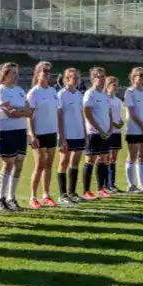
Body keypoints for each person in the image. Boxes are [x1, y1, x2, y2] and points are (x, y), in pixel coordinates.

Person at [0, 62, 33, 211]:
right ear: (5, 74)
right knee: (8, 164)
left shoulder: (20, 90)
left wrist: (18, 110)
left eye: (17, 72)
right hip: (6, 131)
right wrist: (20, 111)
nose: (16, 75)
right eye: (13, 73)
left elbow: (30, 111)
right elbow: (9, 113)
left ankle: (11, 197)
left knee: (19, 164)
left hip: (21, 131)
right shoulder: (0, 91)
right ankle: (0, 198)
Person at [27, 62, 61, 206]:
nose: (47, 73)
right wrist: (33, 135)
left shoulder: (53, 91)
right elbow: (29, 116)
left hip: (51, 132)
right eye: (44, 71)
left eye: (49, 71)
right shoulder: (34, 93)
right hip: (39, 133)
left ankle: (46, 194)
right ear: (37, 73)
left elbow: (57, 113)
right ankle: (33, 197)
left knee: (49, 164)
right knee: (39, 164)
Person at [56, 67, 87, 204]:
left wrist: (85, 133)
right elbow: (59, 116)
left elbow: (81, 114)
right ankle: (62, 194)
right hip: (67, 134)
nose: (76, 80)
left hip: (79, 132)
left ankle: (72, 192)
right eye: (73, 77)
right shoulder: (61, 94)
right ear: (66, 79)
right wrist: (62, 137)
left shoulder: (79, 95)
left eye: (77, 78)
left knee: (75, 163)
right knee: (63, 162)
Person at [82, 67, 113, 199]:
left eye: (104, 76)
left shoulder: (105, 95)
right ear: (93, 78)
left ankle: (101, 188)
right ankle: (86, 190)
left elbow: (109, 113)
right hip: (93, 133)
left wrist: (110, 128)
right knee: (90, 160)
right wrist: (99, 130)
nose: (103, 78)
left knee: (104, 159)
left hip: (105, 133)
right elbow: (88, 114)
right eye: (100, 76)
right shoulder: (90, 94)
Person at [122, 67, 143, 193]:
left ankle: (141, 183)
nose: (140, 77)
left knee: (142, 155)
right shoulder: (130, 92)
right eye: (138, 75)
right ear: (133, 77)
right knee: (132, 155)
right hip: (134, 129)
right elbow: (131, 112)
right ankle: (131, 184)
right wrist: (142, 125)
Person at [103, 75, 126, 193]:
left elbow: (119, 115)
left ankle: (112, 184)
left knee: (114, 158)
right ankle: (105, 185)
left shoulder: (118, 100)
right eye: (114, 85)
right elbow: (105, 115)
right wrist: (112, 123)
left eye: (117, 85)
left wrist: (120, 122)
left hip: (117, 132)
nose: (116, 87)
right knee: (106, 157)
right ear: (107, 86)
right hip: (108, 131)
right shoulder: (104, 99)